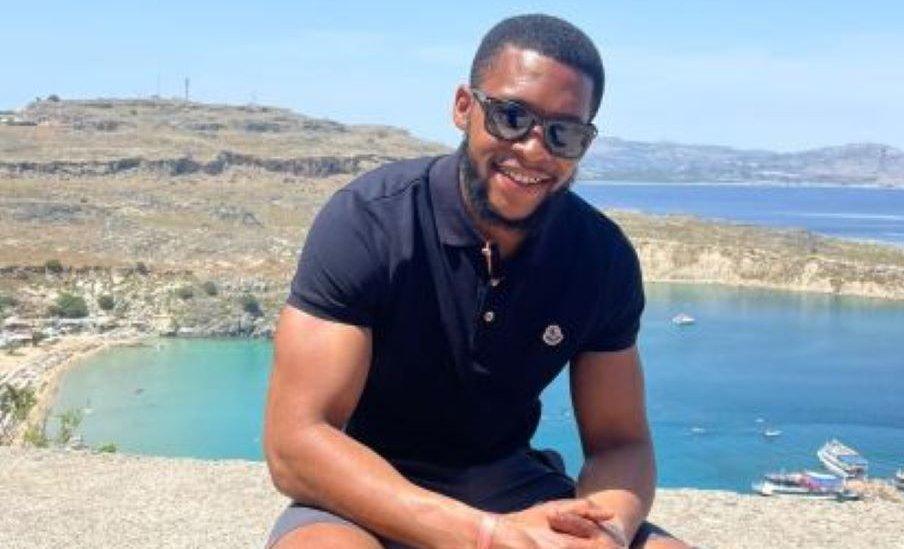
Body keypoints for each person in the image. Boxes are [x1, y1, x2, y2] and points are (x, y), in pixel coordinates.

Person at [264, 14, 689, 549]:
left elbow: (619, 442)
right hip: (369, 492)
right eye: (512, 116)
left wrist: (605, 530)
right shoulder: (369, 221)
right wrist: (485, 537)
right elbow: (296, 442)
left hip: (512, 485)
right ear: (464, 108)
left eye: (564, 133)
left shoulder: (601, 258)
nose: (534, 150)